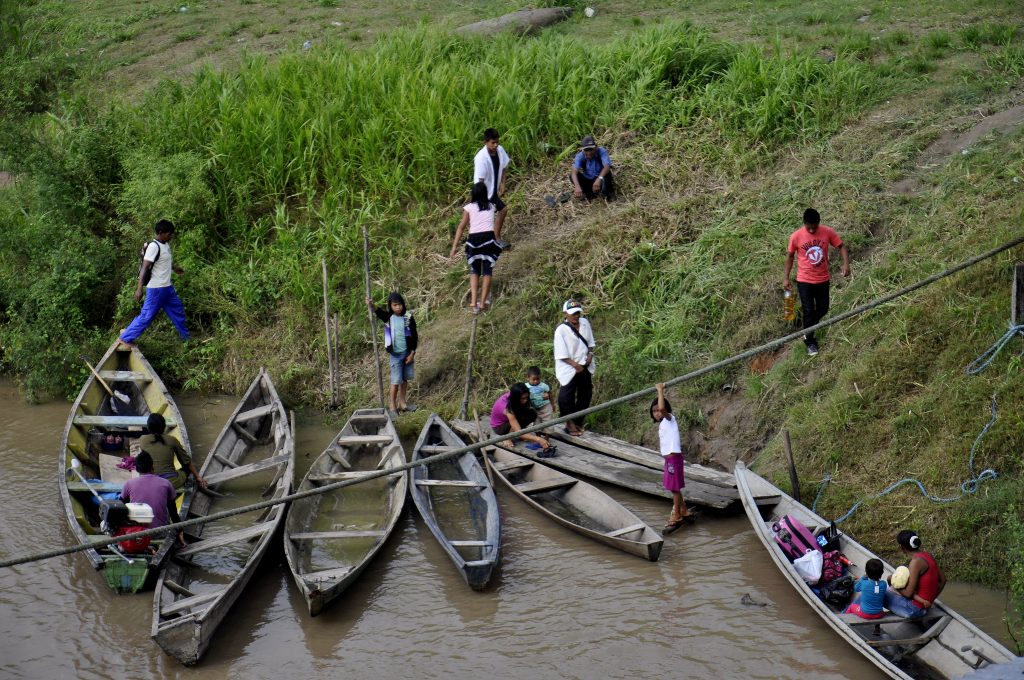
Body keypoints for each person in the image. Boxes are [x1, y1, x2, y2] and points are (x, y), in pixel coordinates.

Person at [782, 208, 850, 357]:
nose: (812, 230)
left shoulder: (827, 232)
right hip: (804, 280)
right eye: (809, 227)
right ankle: (810, 342)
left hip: (823, 279)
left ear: (819, 223)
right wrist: (786, 277)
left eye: (815, 227)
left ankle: (807, 328)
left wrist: (846, 264)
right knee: (808, 310)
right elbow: (790, 257)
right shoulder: (796, 236)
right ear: (804, 224)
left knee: (823, 308)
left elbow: (841, 246)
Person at [119, 219, 190, 348]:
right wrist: (139, 289)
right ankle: (125, 338)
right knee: (147, 316)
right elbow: (144, 269)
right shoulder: (154, 246)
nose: (171, 236)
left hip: (167, 288)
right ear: (161, 233)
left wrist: (174, 268)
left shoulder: (166, 245)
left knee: (178, 311)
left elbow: (163, 262)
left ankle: (186, 339)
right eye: (169, 234)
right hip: (156, 290)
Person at [450, 182, 502, 313]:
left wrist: (454, 246)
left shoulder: (469, 207)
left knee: (474, 270)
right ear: (485, 193)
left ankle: (474, 302)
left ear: (473, 194)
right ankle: (483, 302)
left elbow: (461, 226)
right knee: (487, 271)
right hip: (488, 239)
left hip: (473, 240)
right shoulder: (491, 206)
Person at [368, 292, 417, 416]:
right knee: (396, 381)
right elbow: (378, 311)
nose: (398, 307)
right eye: (395, 305)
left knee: (405, 379)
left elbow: (415, 336)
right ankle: (392, 406)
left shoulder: (408, 317)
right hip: (395, 355)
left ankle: (402, 403)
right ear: (390, 306)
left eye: (400, 304)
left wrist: (412, 353)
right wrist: (371, 304)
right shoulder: (388, 317)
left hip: (407, 353)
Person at [651, 383, 693, 531]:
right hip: (669, 460)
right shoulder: (663, 424)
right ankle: (684, 509)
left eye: (658, 410)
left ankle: (677, 515)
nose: (657, 413)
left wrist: (660, 391)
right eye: (654, 411)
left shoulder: (670, 419)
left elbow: (663, 409)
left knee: (674, 489)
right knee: (674, 488)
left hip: (673, 460)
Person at [119, 451, 185, 545]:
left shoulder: (128, 484)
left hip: (137, 533)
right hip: (160, 533)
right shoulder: (166, 483)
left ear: (137, 469)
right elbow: (173, 512)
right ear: (152, 466)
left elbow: (119, 508)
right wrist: (180, 531)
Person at [553, 299, 595, 436]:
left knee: (585, 394)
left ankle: (578, 422)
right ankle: (569, 423)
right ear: (565, 313)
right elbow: (561, 354)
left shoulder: (585, 323)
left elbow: (591, 343)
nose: (576, 316)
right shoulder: (561, 331)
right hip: (569, 367)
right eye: (573, 314)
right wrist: (575, 365)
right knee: (566, 397)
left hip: (585, 365)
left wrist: (590, 355)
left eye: (578, 313)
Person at [883, 530, 946, 619]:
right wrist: (930, 600)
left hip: (914, 609)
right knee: (890, 588)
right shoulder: (928, 555)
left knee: (879, 593)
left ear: (902, 547)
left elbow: (908, 593)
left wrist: (891, 580)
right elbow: (943, 580)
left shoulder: (915, 562)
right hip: (924, 606)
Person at [138, 413, 206, 489]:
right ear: (164, 427)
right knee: (186, 469)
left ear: (148, 427)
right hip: (171, 482)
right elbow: (186, 462)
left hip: (150, 482)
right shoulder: (172, 440)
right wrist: (198, 477)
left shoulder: (142, 439)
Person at [490, 382, 555, 454]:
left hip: (511, 418)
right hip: (499, 427)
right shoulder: (507, 408)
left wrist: (546, 395)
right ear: (516, 398)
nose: (526, 400)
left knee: (532, 413)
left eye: (526, 397)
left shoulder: (514, 396)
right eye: (523, 398)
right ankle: (506, 437)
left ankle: (520, 434)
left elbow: (537, 396)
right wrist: (539, 439)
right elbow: (519, 432)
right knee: (518, 429)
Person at [473, 128, 510, 249]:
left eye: (497, 142)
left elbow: (504, 167)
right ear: (485, 142)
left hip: (493, 191)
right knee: (487, 219)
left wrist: (503, 184)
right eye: (493, 143)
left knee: (503, 210)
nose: (496, 145)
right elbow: (480, 181)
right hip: (485, 193)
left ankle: (496, 238)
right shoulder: (481, 158)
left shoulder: (500, 150)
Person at [570, 135, 614, 201]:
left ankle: (605, 195)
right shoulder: (580, 156)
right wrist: (577, 186)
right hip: (589, 180)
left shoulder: (601, 151)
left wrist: (599, 179)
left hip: (600, 178)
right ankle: (589, 193)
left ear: (596, 147)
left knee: (607, 174)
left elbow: (607, 166)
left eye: (591, 149)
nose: (589, 152)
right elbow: (574, 172)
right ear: (583, 150)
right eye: (586, 150)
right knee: (572, 176)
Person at [525, 365, 555, 431]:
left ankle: (547, 437)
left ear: (540, 377)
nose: (536, 381)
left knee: (548, 422)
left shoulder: (543, 385)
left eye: (537, 379)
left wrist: (553, 405)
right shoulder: (525, 386)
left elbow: (550, 394)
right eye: (533, 379)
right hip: (534, 408)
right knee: (536, 423)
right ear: (528, 377)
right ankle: (538, 437)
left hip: (545, 406)